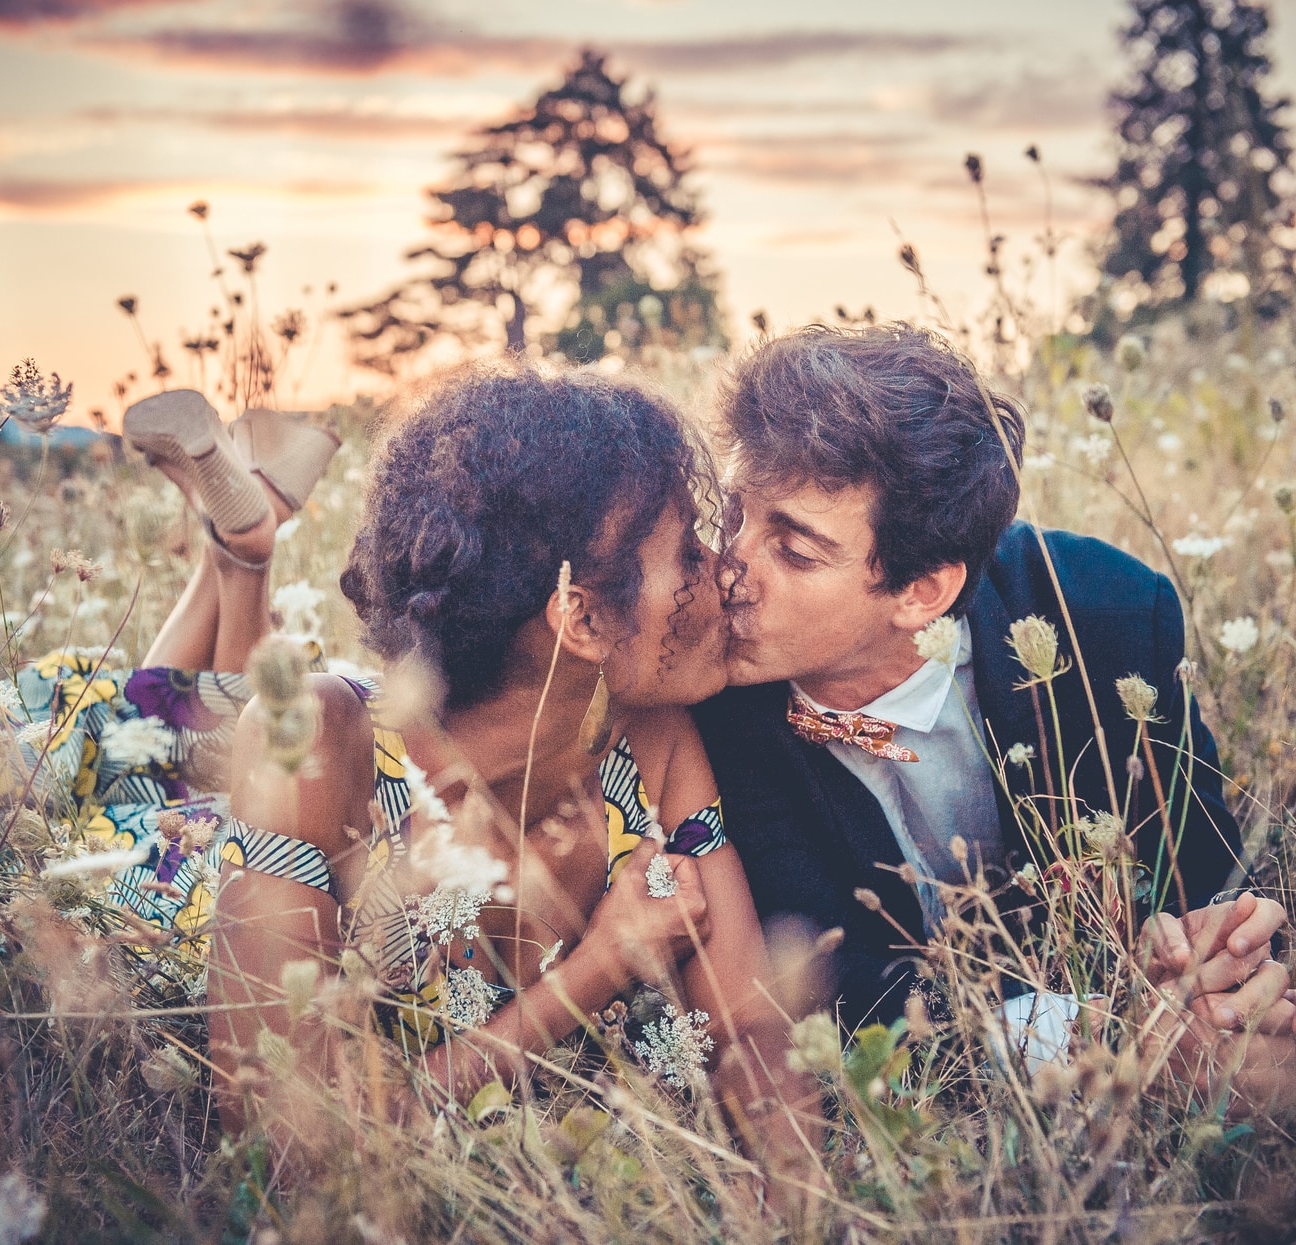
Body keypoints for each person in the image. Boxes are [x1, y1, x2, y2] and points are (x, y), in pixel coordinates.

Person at [115, 371, 815, 1185]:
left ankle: (242, 547)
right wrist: (592, 972)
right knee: (144, 745)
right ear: (582, 618)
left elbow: (752, 1029)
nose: (722, 571)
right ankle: (237, 554)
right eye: (688, 551)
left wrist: (800, 1190)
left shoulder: (654, 744)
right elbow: (289, 1142)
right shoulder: (319, 740)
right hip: (159, 864)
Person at [692, 323, 1296, 1112]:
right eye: (732, 514)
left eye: (792, 550)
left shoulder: (1112, 617)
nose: (728, 566)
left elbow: (1203, 870)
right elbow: (821, 980)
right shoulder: (715, 693)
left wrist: (1228, 976)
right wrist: (1103, 1038)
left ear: (922, 591)